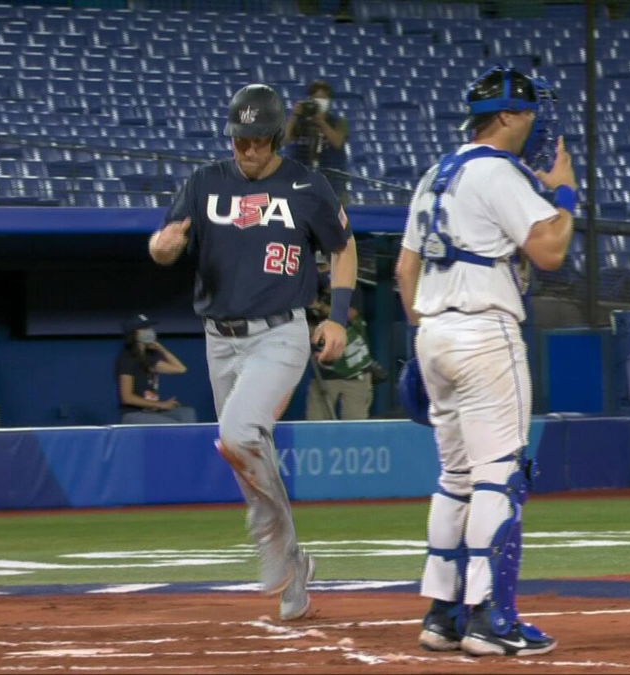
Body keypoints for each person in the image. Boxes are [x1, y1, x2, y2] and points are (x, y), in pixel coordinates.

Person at [149, 83, 357, 622]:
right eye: (240, 140)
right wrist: (165, 246)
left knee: (238, 435)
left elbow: (343, 246)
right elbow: (163, 243)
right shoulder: (204, 181)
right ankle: (293, 563)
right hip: (219, 338)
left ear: (276, 137)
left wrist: (337, 317)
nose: (248, 150)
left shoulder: (307, 184)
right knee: (243, 454)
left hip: (280, 332)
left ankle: (272, 543)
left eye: (257, 140)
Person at [394, 65, 576, 657]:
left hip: (434, 331)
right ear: (504, 116)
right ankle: (490, 619)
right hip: (483, 331)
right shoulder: (496, 171)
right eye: (526, 112)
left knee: (455, 480)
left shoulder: (434, 172)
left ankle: (442, 614)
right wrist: (566, 195)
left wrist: (428, 339)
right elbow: (549, 251)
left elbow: (404, 272)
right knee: (501, 476)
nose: (534, 121)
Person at [305, 253, 376, 420]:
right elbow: (307, 331)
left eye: (323, 267)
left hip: (355, 372)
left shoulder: (350, 287)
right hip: (325, 373)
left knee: (355, 426)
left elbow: (350, 314)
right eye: (317, 268)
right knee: (316, 425)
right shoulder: (309, 292)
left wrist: (320, 306)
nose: (321, 273)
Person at [116, 313, 197, 424]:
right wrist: (161, 404)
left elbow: (180, 369)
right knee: (172, 426)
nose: (150, 331)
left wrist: (160, 348)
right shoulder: (126, 359)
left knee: (187, 413)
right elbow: (127, 397)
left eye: (149, 327)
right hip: (134, 414)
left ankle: (189, 442)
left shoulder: (150, 357)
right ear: (134, 333)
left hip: (153, 411)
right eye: (145, 328)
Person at [283, 80, 350, 205]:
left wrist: (321, 122)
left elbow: (337, 142)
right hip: (302, 179)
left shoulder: (339, 122)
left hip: (332, 180)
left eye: (323, 98)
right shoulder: (301, 122)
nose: (320, 101)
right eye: (316, 97)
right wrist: (294, 116)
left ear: (329, 101)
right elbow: (284, 139)